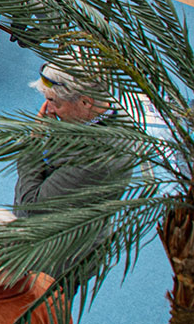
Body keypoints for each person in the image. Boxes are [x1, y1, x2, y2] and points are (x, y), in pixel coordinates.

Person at [18, 64, 132, 269]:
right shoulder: (105, 115)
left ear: (85, 102)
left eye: (54, 102)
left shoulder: (97, 160)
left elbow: (31, 209)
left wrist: (32, 144)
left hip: (54, 257)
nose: (47, 109)